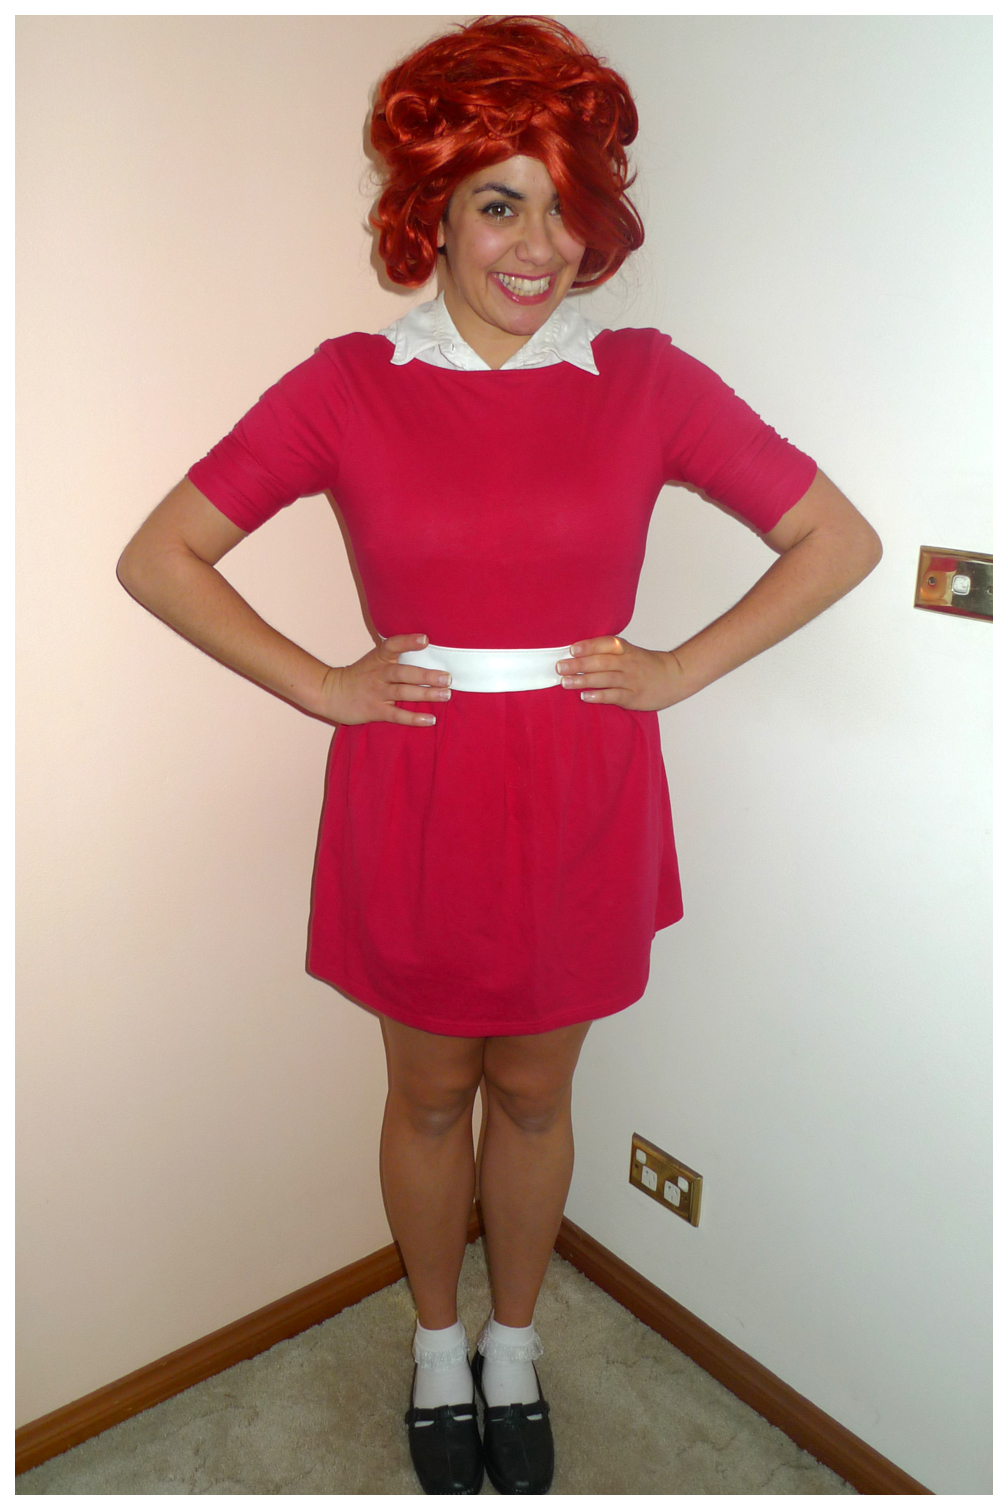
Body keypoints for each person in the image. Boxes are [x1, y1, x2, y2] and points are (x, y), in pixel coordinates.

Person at [117, 15, 882, 1496]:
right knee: (423, 1095)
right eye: (498, 203)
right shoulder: (348, 382)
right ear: (435, 213)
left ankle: (514, 1346)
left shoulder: (647, 377)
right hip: (417, 784)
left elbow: (835, 541)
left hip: (584, 791)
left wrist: (675, 669)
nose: (539, 247)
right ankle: (432, 1344)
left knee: (536, 1095)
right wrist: (324, 685)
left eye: (564, 206)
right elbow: (162, 557)